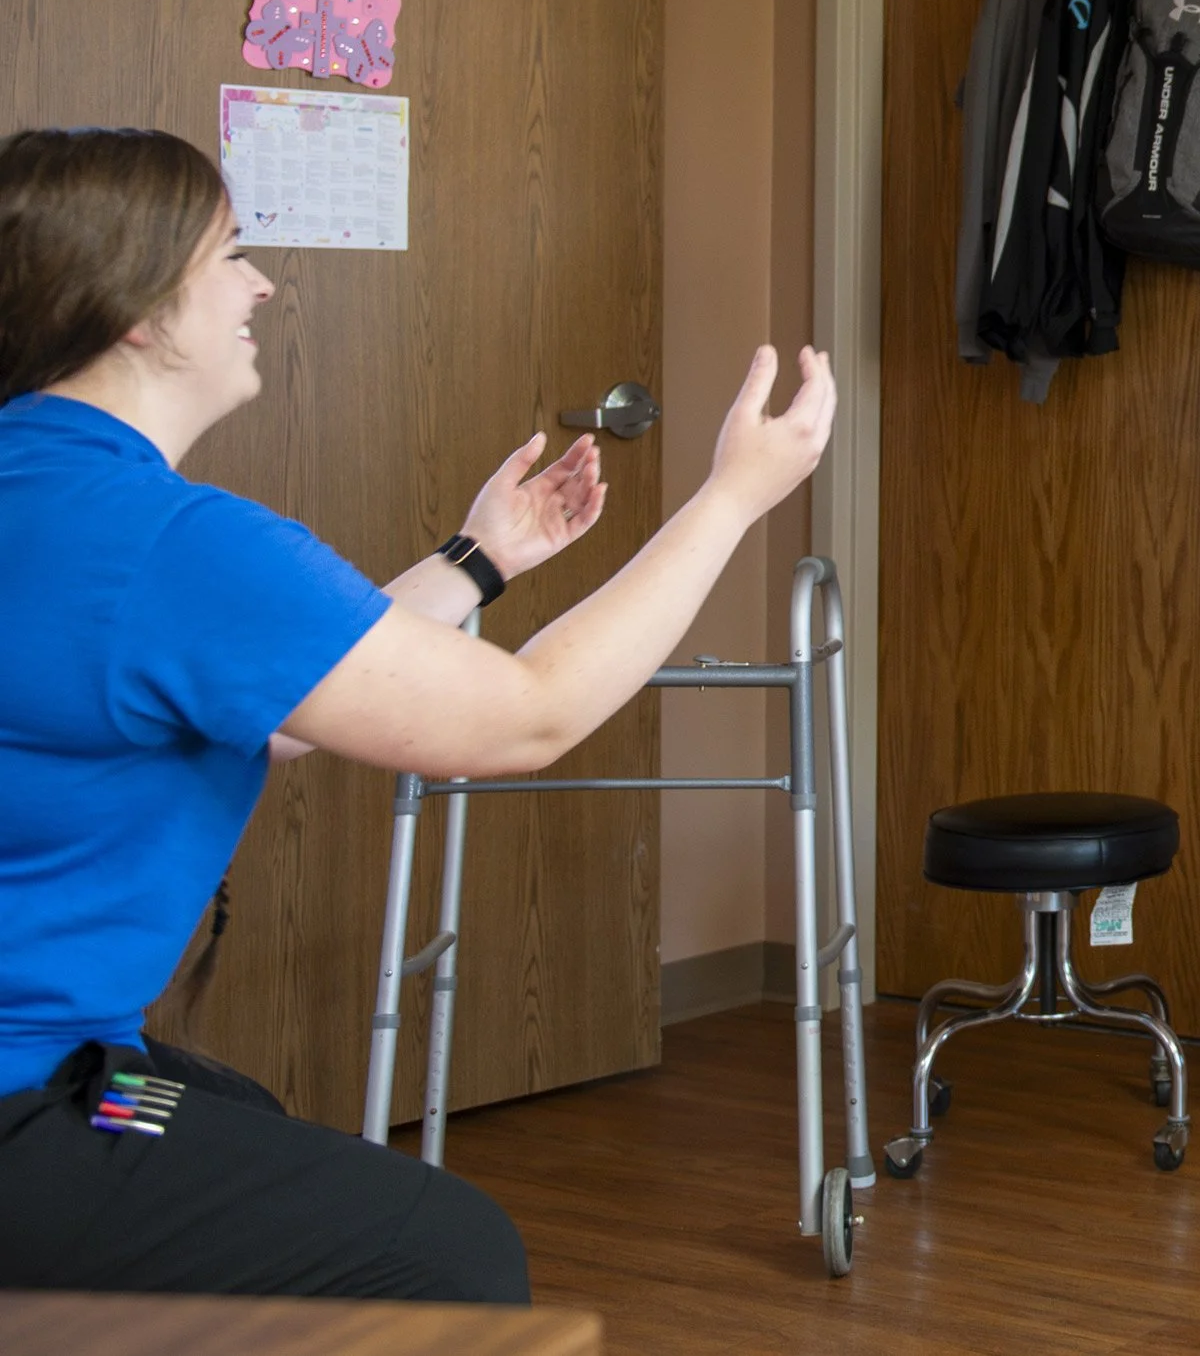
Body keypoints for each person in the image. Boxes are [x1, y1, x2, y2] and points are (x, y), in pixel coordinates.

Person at [0, 127, 835, 1303]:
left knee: (232, 1117)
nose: (261, 283)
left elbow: (281, 704)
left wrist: (480, 558)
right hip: (29, 1102)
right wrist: (733, 497)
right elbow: (525, 719)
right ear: (137, 313)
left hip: (88, 1070)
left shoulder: (44, 493)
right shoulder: (166, 544)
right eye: (230, 255)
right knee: (443, 1248)